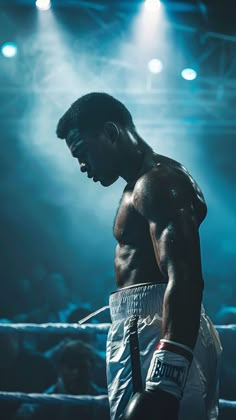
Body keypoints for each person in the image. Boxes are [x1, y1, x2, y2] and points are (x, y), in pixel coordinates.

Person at [56, 93, 222, 420]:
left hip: (156, 331)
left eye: (83, 152)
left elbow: (185, 279)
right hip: (148, 330)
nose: (82, 165)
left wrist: (165, 381)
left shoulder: (158, 182)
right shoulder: (140, 184)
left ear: (110, 132)